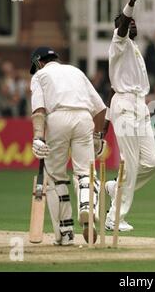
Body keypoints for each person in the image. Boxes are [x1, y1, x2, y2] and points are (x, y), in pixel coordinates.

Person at [30, 47, 107, 245]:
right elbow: (100, 109)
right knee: (86, 172)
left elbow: (39, 109)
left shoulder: (40, 75)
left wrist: (38, 136)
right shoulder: (76, 72)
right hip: (83, 118)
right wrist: (98, 136)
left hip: (57, 119)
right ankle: (87, 206)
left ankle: (65, 234)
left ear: (39, 62)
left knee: (56, 177)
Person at [104, 0, 155, 232]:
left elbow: (109, 91)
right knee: (131, 163)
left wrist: (104, 124)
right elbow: (125, 23)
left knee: (152, 163)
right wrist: (132, 1)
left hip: (139, 106)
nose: (133, 23)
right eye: (129, 21)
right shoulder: (119, 43)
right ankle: (113, 218)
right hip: (125, 105)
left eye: (135, 21)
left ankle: (114, 187)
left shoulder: (134, 49)